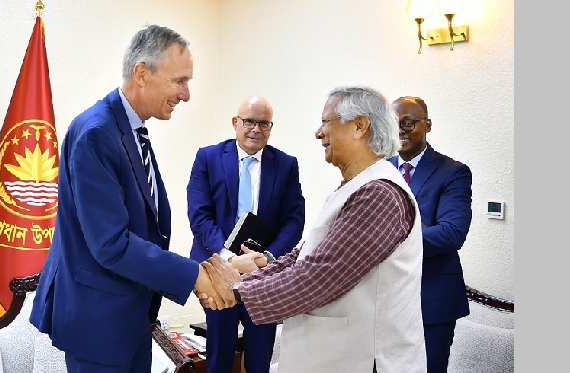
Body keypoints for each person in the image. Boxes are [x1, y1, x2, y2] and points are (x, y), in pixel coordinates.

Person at [29, 24, 228, 373]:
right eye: (179, 81)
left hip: (131, 319)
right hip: (98, 326)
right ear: (141, 74)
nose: (186, 94)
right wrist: (194, 276)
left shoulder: (131, 131)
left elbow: (145, 229)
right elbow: (111, 244)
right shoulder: (96, 133)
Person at [200, 86, 427, 373]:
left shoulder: (379, 194)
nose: (319, 133)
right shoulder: (358, 186)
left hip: (365, 360)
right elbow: (304, 256)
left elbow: (320, 275)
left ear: (359, 126)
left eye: (326, 122)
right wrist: (260, 267)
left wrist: (236, 290)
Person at [186, 95, 306, 373]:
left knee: (259, 356)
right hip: (217, 272)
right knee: (219, 353)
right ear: (235, 122)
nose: (256, 129)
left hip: (264, 274)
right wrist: (229, 261)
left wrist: (267, 257)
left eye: (264, 123)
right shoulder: (208, 157)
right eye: (249, 121)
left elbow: (293, 220)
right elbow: (200, 216)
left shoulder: (286, 165)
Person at [388, 96, 473, 373]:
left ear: (428, 125)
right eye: (393, 123)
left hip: (431, 300)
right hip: (383, 301)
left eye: (408, 123)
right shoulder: (377, 169)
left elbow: (451, 233)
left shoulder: (453, 172)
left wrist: (388, 242)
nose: (400, 130)